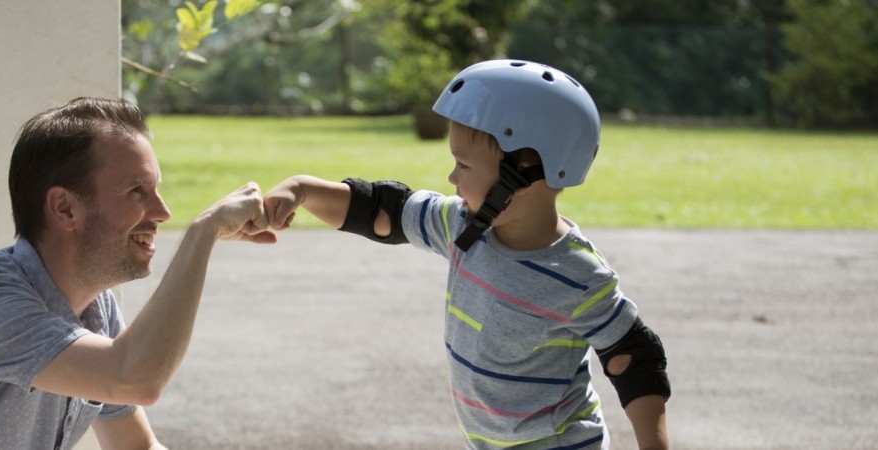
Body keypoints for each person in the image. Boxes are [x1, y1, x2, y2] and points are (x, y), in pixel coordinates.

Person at [264, 60, 670, 449]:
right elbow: (381, 209)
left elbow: (633, 358)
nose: (452, 178)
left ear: (524, 171)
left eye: (463, 164)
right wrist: (301, 189)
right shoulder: (462, 226)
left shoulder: (577, 275)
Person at [0, 97, 275, 450]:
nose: (163, 212)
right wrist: (201, 234)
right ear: (64, 208)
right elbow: (134, 380)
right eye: (137, 191)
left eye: (156, 189)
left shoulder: (95, 309)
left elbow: (138, 446)